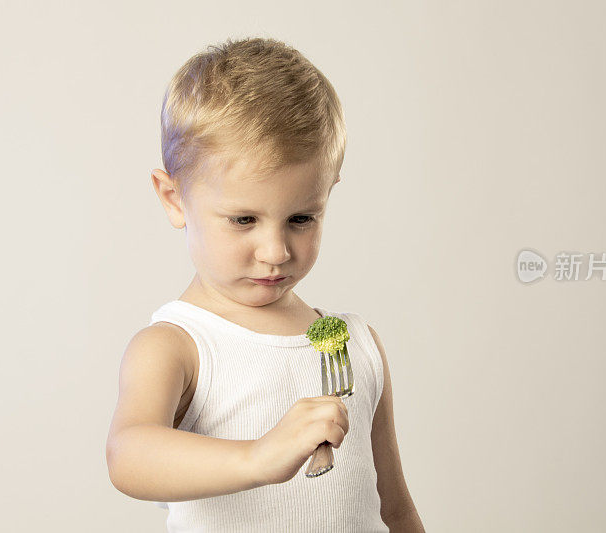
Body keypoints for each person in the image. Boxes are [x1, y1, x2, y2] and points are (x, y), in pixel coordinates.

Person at [105, 36, 424, 532]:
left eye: (301, 217)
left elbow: (394, 506)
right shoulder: (177, 345)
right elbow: (129, 455)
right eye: (243, 220)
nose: (276, 251)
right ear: (173, 198)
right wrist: (257, 457)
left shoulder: (356, 345)